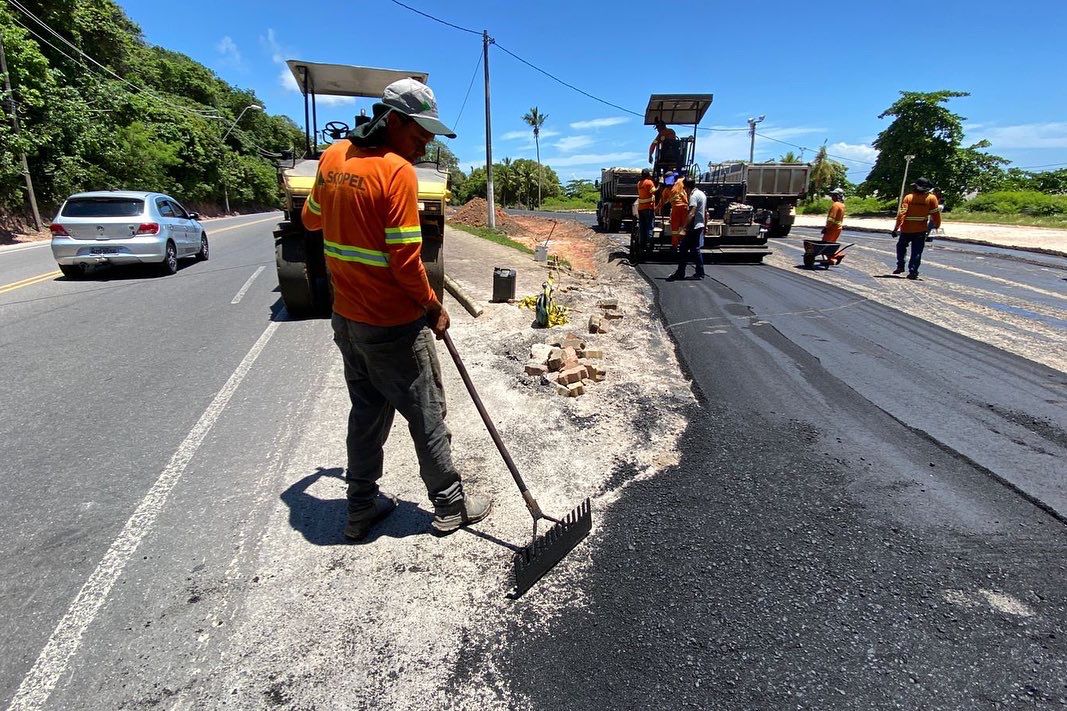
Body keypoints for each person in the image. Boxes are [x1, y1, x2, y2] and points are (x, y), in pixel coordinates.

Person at [302, 78, 491, 541]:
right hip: (391, 324)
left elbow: (310, 218)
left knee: (366, 412)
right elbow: (405, 261)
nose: (427, 141)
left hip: (348, 319)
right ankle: (450, 505)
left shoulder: (332, 158)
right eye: (421, 131)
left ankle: (361, 506)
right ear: (394, 121)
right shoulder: (397, 172)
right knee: (426, 410)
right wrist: (432, 307)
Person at [892, 176, 940, 279]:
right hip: (920, 230)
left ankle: (900, 266)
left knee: (900, 247)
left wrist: (896, 228)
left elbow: (901, 214)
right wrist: (937, 226)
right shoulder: (932, 198)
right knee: (917, 252)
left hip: (906, 229)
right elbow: (935, 215)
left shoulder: (908, 197)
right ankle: (913, 272)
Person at [667, 177, 707, 281]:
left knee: (684, 249)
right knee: (694, 249)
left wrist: (684, 227)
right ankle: (699, 272)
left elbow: (692, 213)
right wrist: (705, 225)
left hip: (693, 227)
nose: (684, 190)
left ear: (687, 187)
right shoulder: (702, 194)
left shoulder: (693, 196)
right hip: (699, 225)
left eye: (684, 188)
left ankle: (681, 273)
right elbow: (705, 212)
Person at [657, 172, 689, 249]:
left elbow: (662, 202)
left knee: (675, 228)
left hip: (676, 209)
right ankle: (683, 246)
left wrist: (656, 209)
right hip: (685, 208)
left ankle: (675, 245)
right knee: (683, 227)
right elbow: (688, 181)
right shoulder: (681, 181)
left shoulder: (667, 190)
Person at [822, 187, 847, 264]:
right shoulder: (842, 205)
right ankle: (830, 260)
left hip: (832, 228)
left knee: (824, 244)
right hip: (838, 228)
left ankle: (837, 256)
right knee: (830, 244)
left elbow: (831, 219)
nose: (832, 197)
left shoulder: (835, 205)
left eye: (833, 195)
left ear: (837, 196)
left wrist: (826, 228)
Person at [636, 168, 656, 251]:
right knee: (649, 227)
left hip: (641, 208)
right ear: (648, 175)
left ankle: (642, 244)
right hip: (648, 208)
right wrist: (660, 185)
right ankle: (649, 245)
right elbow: (654, 191)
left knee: (642, 227)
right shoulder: (649, 182)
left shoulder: (639, 183)